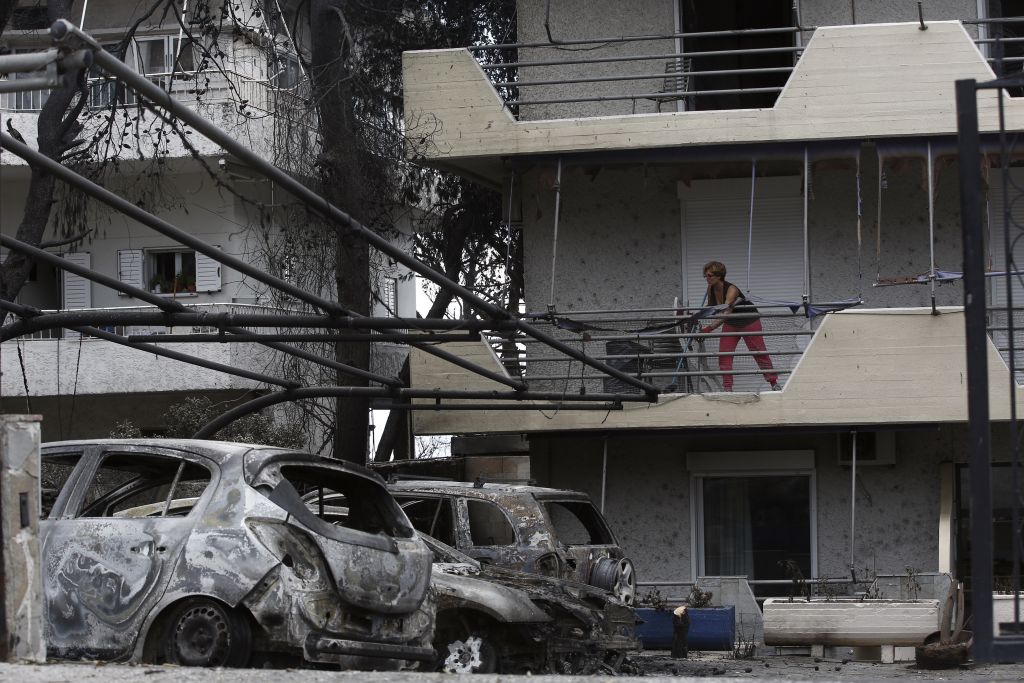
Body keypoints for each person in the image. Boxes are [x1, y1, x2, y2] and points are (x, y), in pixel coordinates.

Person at [700, 260, 779, 392]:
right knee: (724, 354)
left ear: (719, 275)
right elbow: (711, 307)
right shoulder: (711, 288)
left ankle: (773, 383)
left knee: (758, 352)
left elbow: (726, 311)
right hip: (731, 323)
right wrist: (696, 313)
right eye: (705, 276)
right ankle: (728, 389)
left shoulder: (732, 289)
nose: (706, 278)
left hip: (749, 321)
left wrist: (709, 328)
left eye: (709, 275)